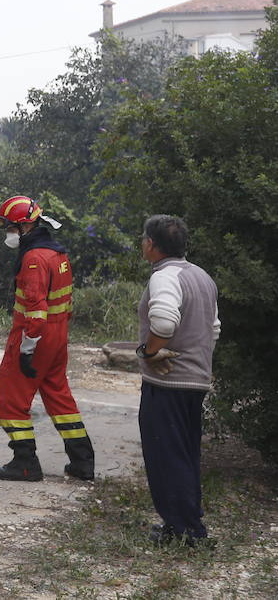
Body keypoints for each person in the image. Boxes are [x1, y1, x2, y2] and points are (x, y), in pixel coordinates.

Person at [0, 195, 95, 482]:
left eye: (10, 227)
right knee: (58, 395)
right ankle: (83, 461)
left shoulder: (34, 259)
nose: (8, 233)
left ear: (25, 227)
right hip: (57, 335)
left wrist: (26, 349)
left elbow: (35, 311)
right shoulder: (56, 253)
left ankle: (25, 464)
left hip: (35, 336)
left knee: (9, 399)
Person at [136, 214, 220, 546]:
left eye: (144, 238)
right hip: (195, 381)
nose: (142, 243)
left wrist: (148, 351)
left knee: (165, 456)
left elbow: (165, 322)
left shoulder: (164, 277)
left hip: (167, 383)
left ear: (151, 245)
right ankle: (186, 524)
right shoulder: (202, 277)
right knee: (184, 454)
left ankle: (186, 532)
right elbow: (213, 330)